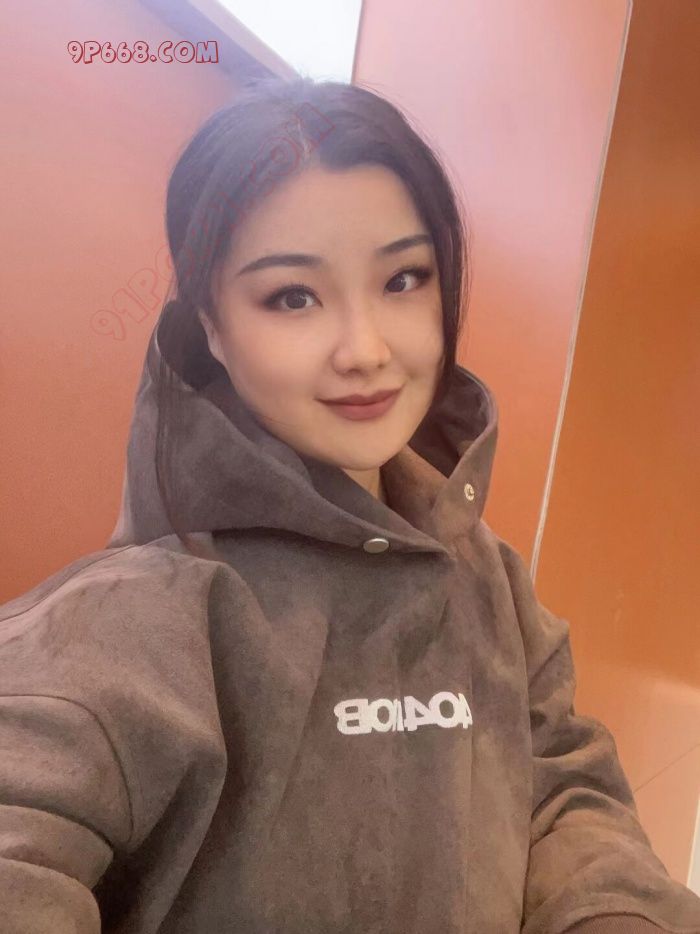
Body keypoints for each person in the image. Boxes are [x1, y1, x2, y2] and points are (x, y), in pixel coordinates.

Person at [0, 76, 698, 934]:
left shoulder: (490, 578)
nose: (365, 349)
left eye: (403, 279)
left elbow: (562, 794)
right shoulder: (133, 621)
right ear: (211, 325)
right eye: (293, 296)